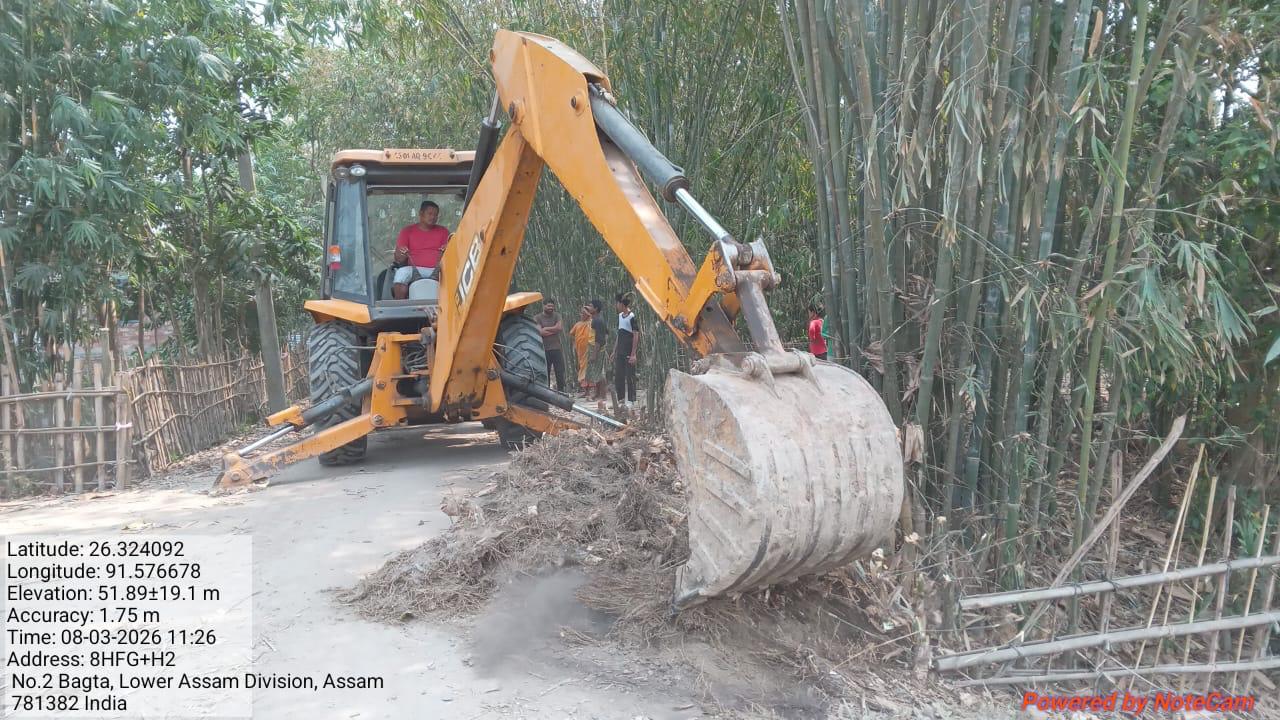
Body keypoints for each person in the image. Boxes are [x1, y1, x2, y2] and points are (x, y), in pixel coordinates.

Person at [391, 200, 450, 299]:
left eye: (436, 215)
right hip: (414, 269)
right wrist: (402, 253)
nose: (433, 217)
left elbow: (450, 253)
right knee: (401, 274)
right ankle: (400, 307)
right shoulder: (407, 231)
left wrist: (447, 250)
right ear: (421, 214)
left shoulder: (443, 231)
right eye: (430, 214)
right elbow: (398, 258)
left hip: (438, 270)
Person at [614, 293, 639, 409]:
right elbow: (619, 333)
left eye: (617, 303)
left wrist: (633, 354)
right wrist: (615, 349)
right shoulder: (619, 316)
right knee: (619, 375)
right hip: (620, 350)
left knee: (630, 375)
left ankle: (632, 400)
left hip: (629, 350)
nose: (616, 305)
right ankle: (621, 399)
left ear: (621, 303)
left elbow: (636, 335)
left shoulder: (632, 316)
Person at [584, 300, 609, 411]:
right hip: (595, 347)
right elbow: (607, 332)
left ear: (596, 309)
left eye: (591, 306)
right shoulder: (596, 319)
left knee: (599, 372)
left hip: (597, 348)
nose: (588, 307)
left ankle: (603, 395)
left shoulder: (597, 321)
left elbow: (599, 338)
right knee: (596, 371)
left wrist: (595, 353)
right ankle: (598, 394)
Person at [536, 299, 565, 390]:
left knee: (560, 372)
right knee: (546, 372)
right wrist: (554, 330)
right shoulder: (538, 317)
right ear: (543, 306)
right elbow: (540, 332)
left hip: (556, 348)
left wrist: (546, 329)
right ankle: (547, 392)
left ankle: (561, 392)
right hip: (544, 349)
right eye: (548, 306)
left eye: (552, 306)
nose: (551, 308)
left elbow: (559, 328)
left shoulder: (557, 315)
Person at [569, 304, 595, 394]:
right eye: (581, 313)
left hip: (590, 351)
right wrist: (575, 343)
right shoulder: (578, 324)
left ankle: (590, 391)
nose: (581, 315)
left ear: (588, 314)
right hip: (580, 352)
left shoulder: (592, 323)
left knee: (589, 369)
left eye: (584, 313)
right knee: (582, 368)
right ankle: (585, 391)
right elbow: (572, 334)